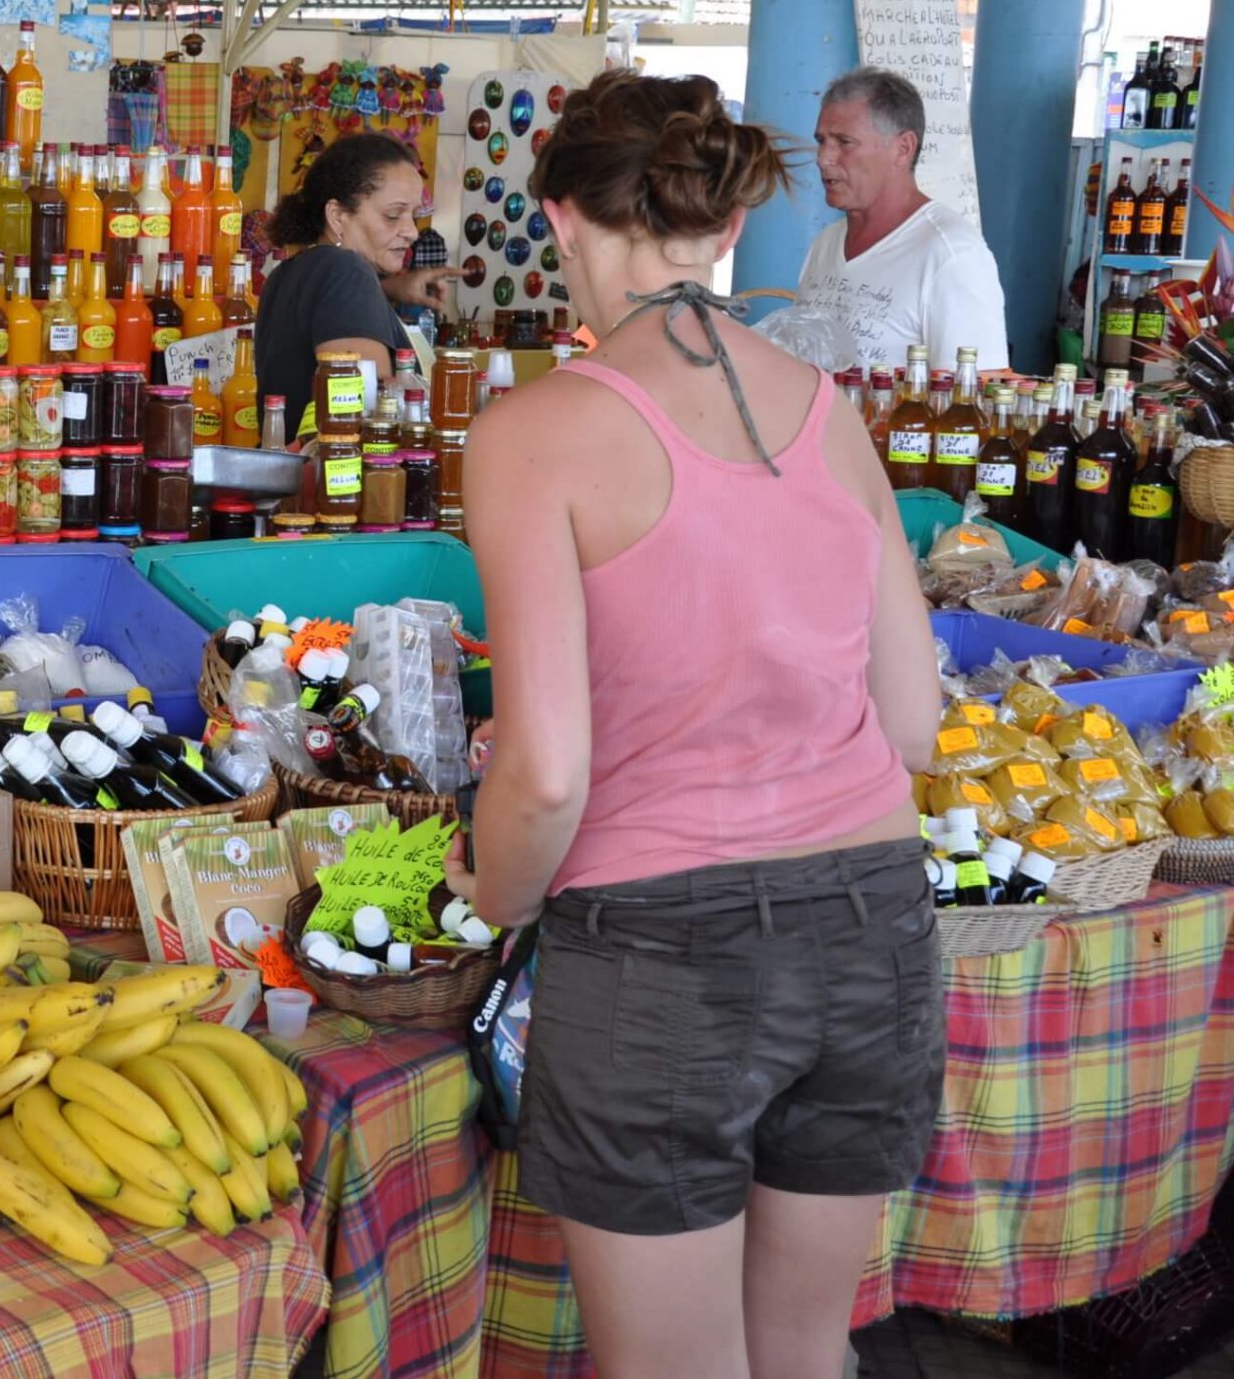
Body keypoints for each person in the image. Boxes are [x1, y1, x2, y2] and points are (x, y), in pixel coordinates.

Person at [448, 70, 942, 1379]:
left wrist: (489, 893)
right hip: (873, 932)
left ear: (558, 218)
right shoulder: (832, 417)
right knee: (799, 1356)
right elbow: (915, 720)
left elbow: (547, 778)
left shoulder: (532, 434)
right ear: (722, 227)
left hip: (668, 958)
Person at [795, 67, 1009, 370]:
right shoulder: (826, 244)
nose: (824, 158)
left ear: (903, 149)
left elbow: (974, 399)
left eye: (844, 142)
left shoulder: (952, 254)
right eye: (821, 141)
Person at [254, 134, 451, 440]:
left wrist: (388, 289)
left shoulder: (289, 273)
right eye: (393, 215)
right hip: (343, 480)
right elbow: (368, 415)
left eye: (413, 215)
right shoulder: (346, 271)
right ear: (337, 216)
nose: (412, 232)